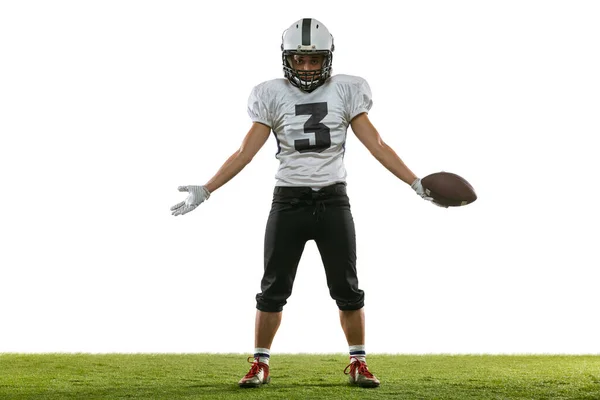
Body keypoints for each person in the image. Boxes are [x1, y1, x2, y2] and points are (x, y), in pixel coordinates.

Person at [171, 18, 439, 389]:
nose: (308, 68)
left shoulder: (347, 90)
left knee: (347, 287)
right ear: (287, 59)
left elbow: (376, 145)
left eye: (315, 61)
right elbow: (244, 153)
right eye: (300, 60)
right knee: (273, 288)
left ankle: (359, 362)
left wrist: (415, 182)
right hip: (289, 202)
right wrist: (208, 188)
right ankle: (260, 363)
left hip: (333, 201)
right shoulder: (272, 93)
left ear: (328, 58)